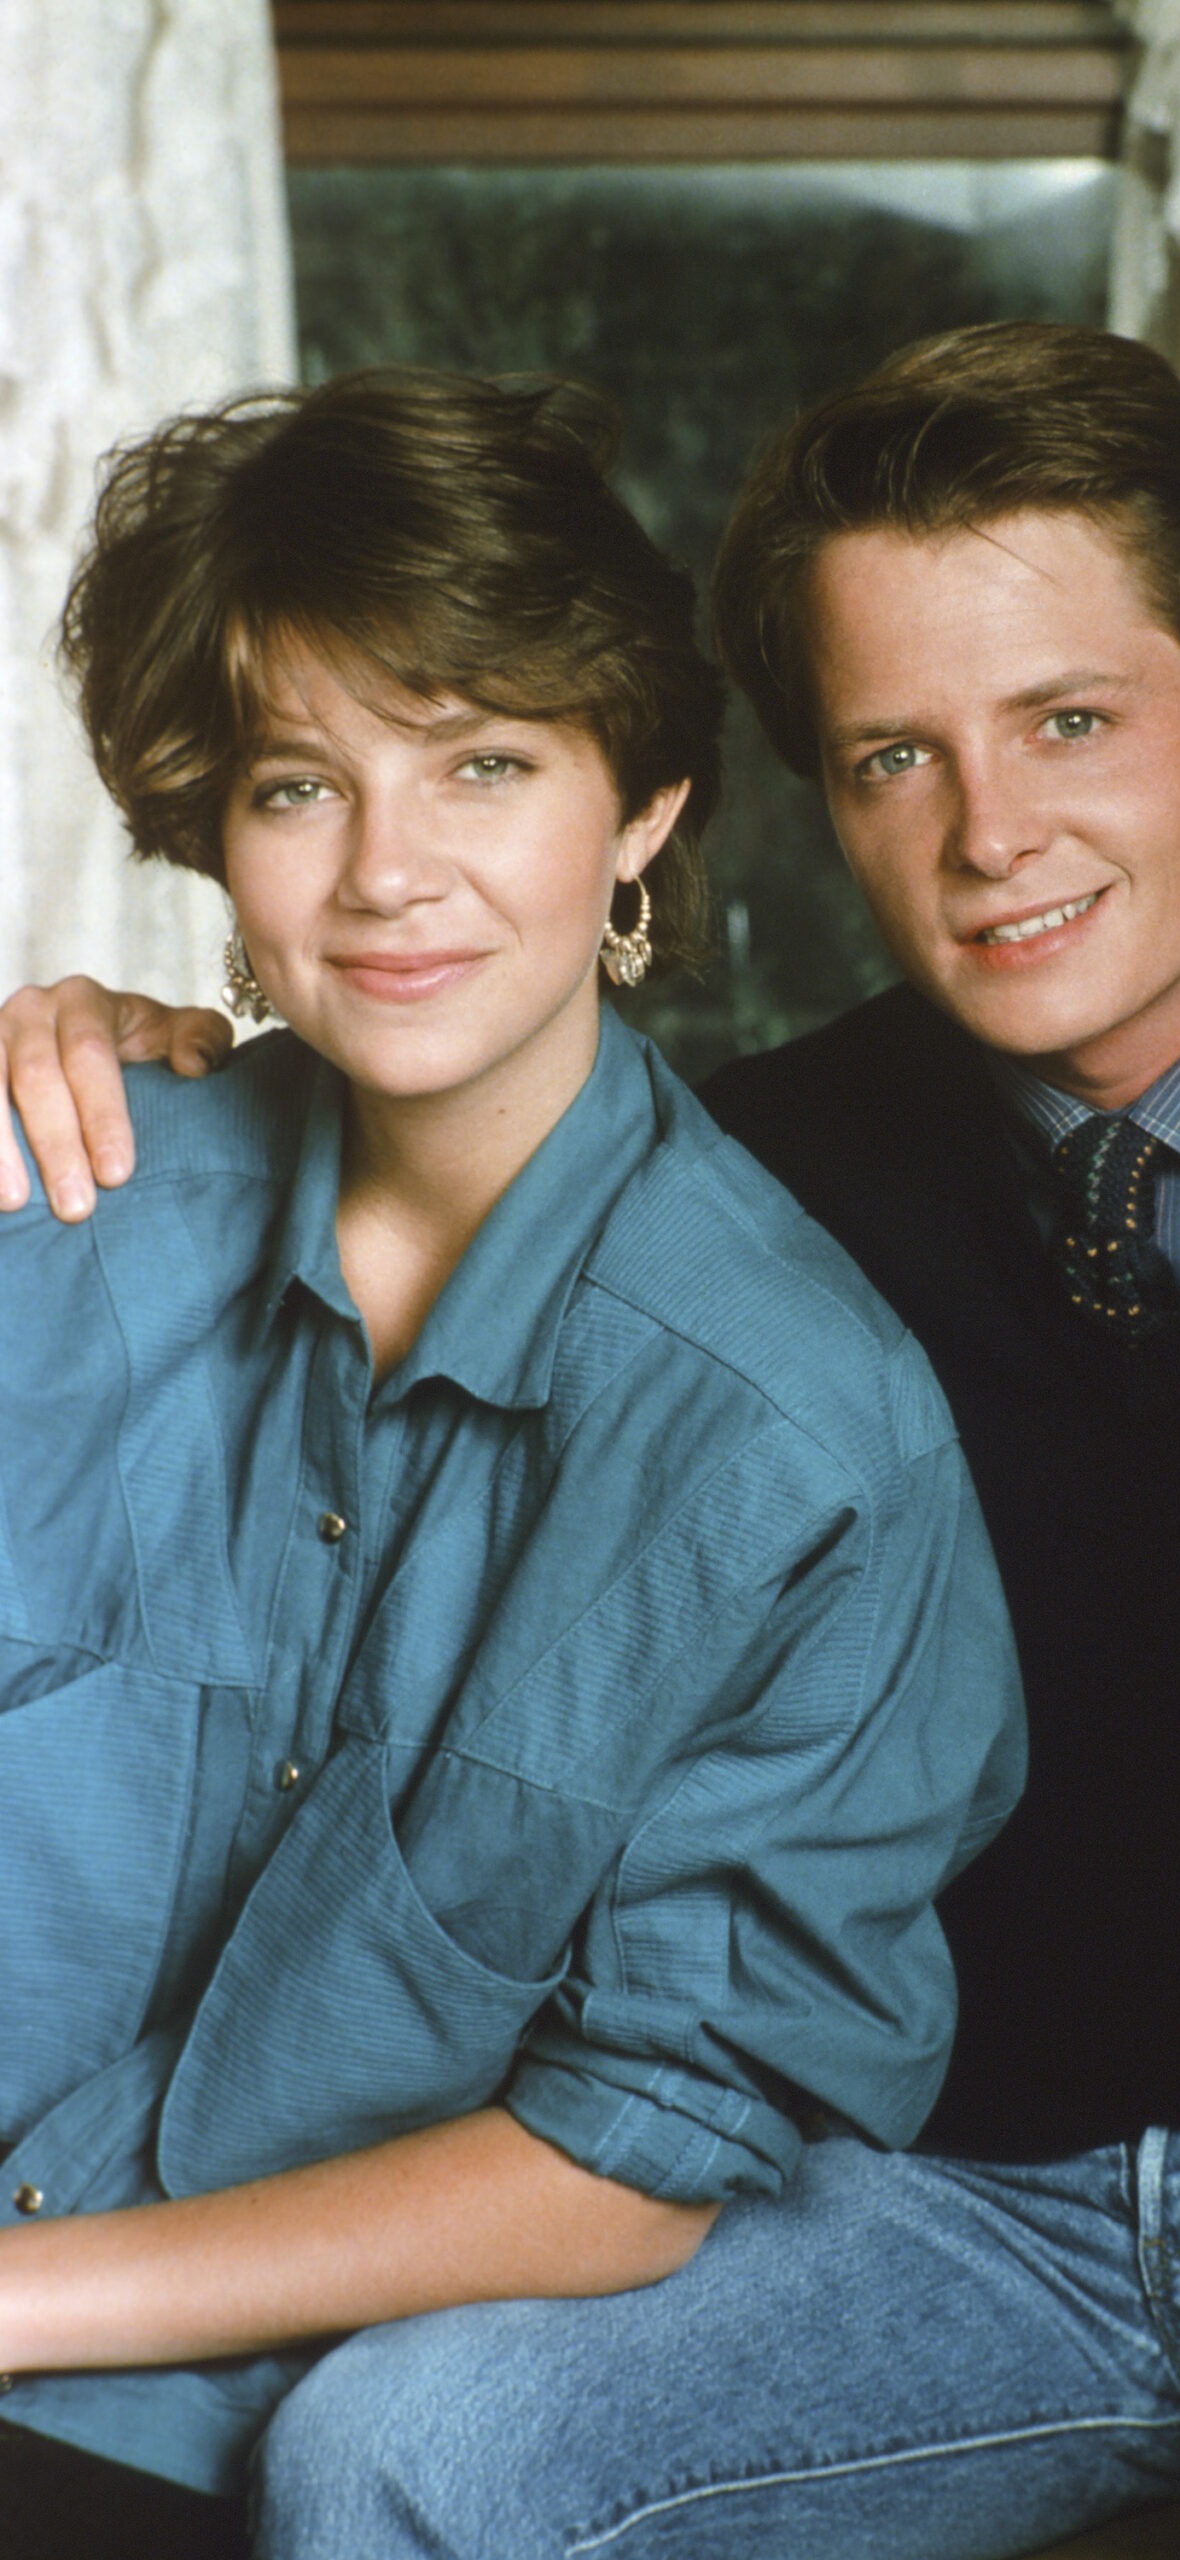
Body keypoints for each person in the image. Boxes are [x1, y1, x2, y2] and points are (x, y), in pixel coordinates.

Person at [6, 321, 1180, 2560]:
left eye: (1070, 720)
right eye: (895, 754)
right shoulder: (743, 1200)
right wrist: (134, 1050)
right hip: (930, 2204)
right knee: (400, 2454)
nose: (991, 833)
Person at [0, 365, 1022, 2560]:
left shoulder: (805, 1445)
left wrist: (18, 2302)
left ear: (640, 804)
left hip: (248, 2433)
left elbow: (638, 2145)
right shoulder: (49, 1205)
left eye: (484, 763)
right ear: (208, 822)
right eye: (299, 784)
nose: (388, 875)